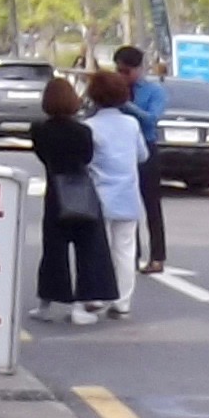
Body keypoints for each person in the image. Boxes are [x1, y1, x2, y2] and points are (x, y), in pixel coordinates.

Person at [33, 73, 119, 324]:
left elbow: (43, 156)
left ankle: (45, 304)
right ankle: (82, 306)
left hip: (55, 194)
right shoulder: (82, 131)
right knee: (89, 250)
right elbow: (87, 157)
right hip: (82, 191)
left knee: (53, 252)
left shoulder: (39, 130)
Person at [84, 64, 147, 313]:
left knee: (99, 249)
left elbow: (86, 161)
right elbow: (142, 155)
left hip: (99, 196)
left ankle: (97, 296)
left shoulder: (90, 127)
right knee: (125, 250)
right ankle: (122, 302)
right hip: (128, 195)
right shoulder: (132, 124)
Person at [112, 43, 169, 274]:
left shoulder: (154, 91)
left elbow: (152, 119)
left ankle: (157, 256)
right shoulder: (115, 88)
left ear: (138, 69)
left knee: (151, 203)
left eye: (126, 72)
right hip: (122, 149)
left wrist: (127, 106)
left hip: (146, 147)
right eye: (118, 71)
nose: (122, 76)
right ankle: (131, 255)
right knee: (128, 202)